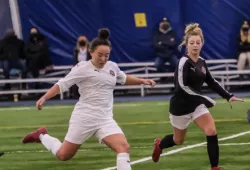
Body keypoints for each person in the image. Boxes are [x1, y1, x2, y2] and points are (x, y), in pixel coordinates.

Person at [22, 28, 156, 170]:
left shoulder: (112, 67)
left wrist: (142, 80)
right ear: (91, 52)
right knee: (64, 155)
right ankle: (42, 135)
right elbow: (62, 84)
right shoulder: (82, 68)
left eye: (107, 55)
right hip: (84, 117)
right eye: (100, 55)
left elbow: (123, 78)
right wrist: (44, 97)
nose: (104, 59)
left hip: (105, 119)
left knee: (123, 147)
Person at [151, 23, 244, 170]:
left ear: (202, 44)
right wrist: (203, 98)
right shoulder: (183, 62)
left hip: (197, 105)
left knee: (211, 131)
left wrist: (228, 96)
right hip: (180, 107)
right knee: (178, 140)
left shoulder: (202, 62)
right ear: (186, 44)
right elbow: (181, 86)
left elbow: (211, 81)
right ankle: (160, 144)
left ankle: (215, 167)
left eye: (198, 43)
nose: (195, 45)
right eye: (192, 43)